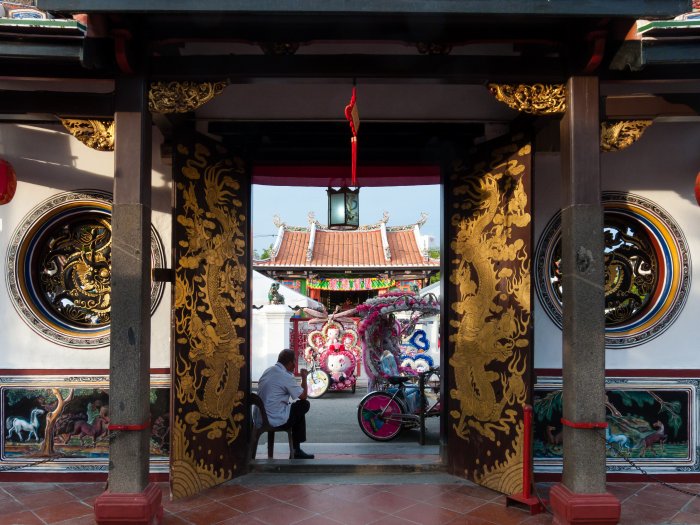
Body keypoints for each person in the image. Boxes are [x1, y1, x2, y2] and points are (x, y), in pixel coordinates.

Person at [256, 349, 314, 459]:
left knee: (296, 409)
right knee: (304, 405)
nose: (294, 366)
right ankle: (296, 449)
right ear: (290, 362)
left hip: (260, 417)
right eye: (294, 362)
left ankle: (296, 449)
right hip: (274, 418)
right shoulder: (285, 376)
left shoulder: (269, 370)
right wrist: (304, 378)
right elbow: (303, 396)